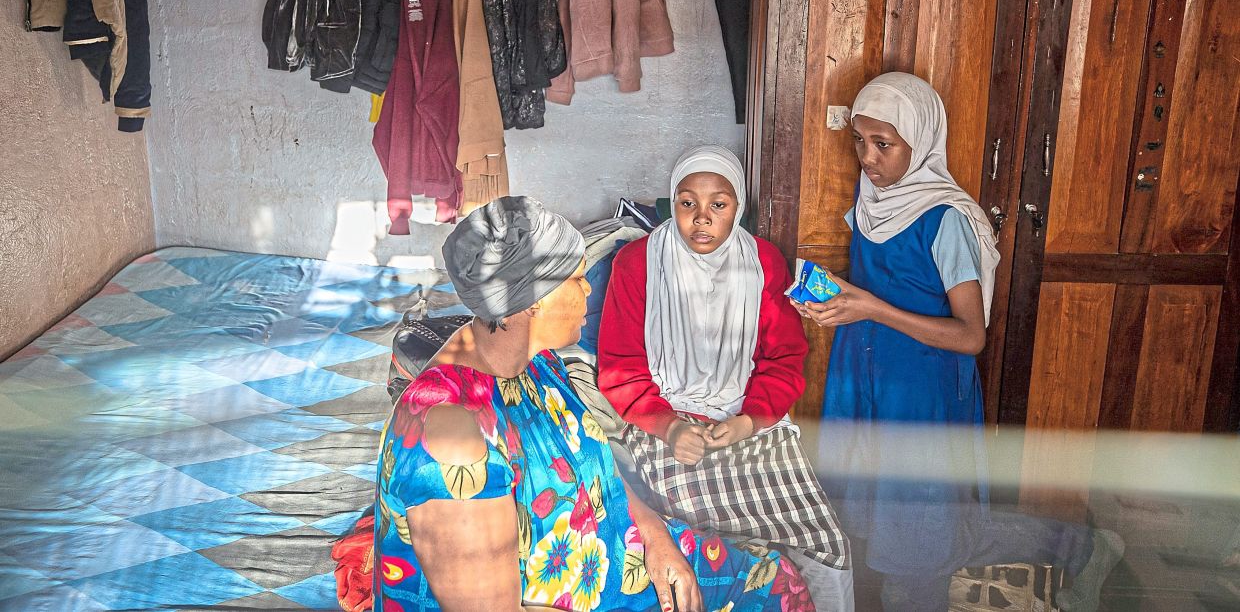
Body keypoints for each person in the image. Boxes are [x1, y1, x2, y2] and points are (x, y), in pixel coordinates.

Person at [374, 196, 814, 612]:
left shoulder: (538, 366)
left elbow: (599, 473)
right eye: (578, 277)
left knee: (774, 579)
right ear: (532, 301)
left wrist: (655, 537)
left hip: (610, 561)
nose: (589, 290)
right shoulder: (455, 439)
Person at [797, 73, 1123, 612]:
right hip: (867, 378)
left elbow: (971, 336)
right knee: (881, 517)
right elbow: (875, 285)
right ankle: (1080, 545)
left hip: (922, 391)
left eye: (884, 144)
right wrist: (831, 300)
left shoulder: (946, 220)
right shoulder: (873, 199)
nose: (867, 158)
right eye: (859, 141)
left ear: (920, 141)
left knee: (921, 535)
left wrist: (871, 308)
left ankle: (1078, 545)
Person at [598, 146, 854, 611]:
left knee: (825, 543)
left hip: (750, 425)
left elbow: (784, 360)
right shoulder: (637, 264)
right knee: (700, 551)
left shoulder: (763, 263)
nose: (701, 218)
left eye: (719, 204)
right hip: (667, 426)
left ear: (738, 209)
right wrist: (670, 427)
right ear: (671, 204)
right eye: (686, 202)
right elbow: (621, 367)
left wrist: (749, 421)